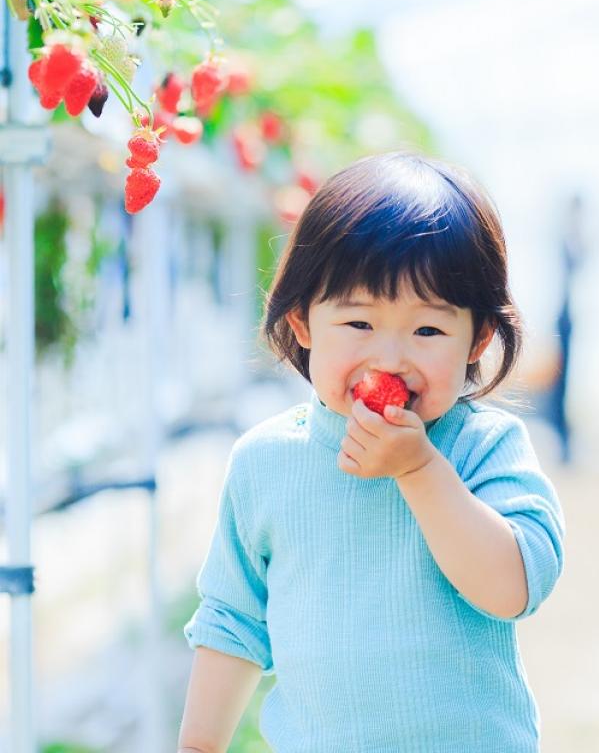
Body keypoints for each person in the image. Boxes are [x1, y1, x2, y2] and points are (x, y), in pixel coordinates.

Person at [177, 152, 565, 753]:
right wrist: (199, 744)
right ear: (303, 324)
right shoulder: (266, 461)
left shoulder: (482, 446)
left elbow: (513, 587)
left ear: (478, 340)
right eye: (359, 324)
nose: (389, 358)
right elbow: (234, 619)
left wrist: (420, 469)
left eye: (428, 330)